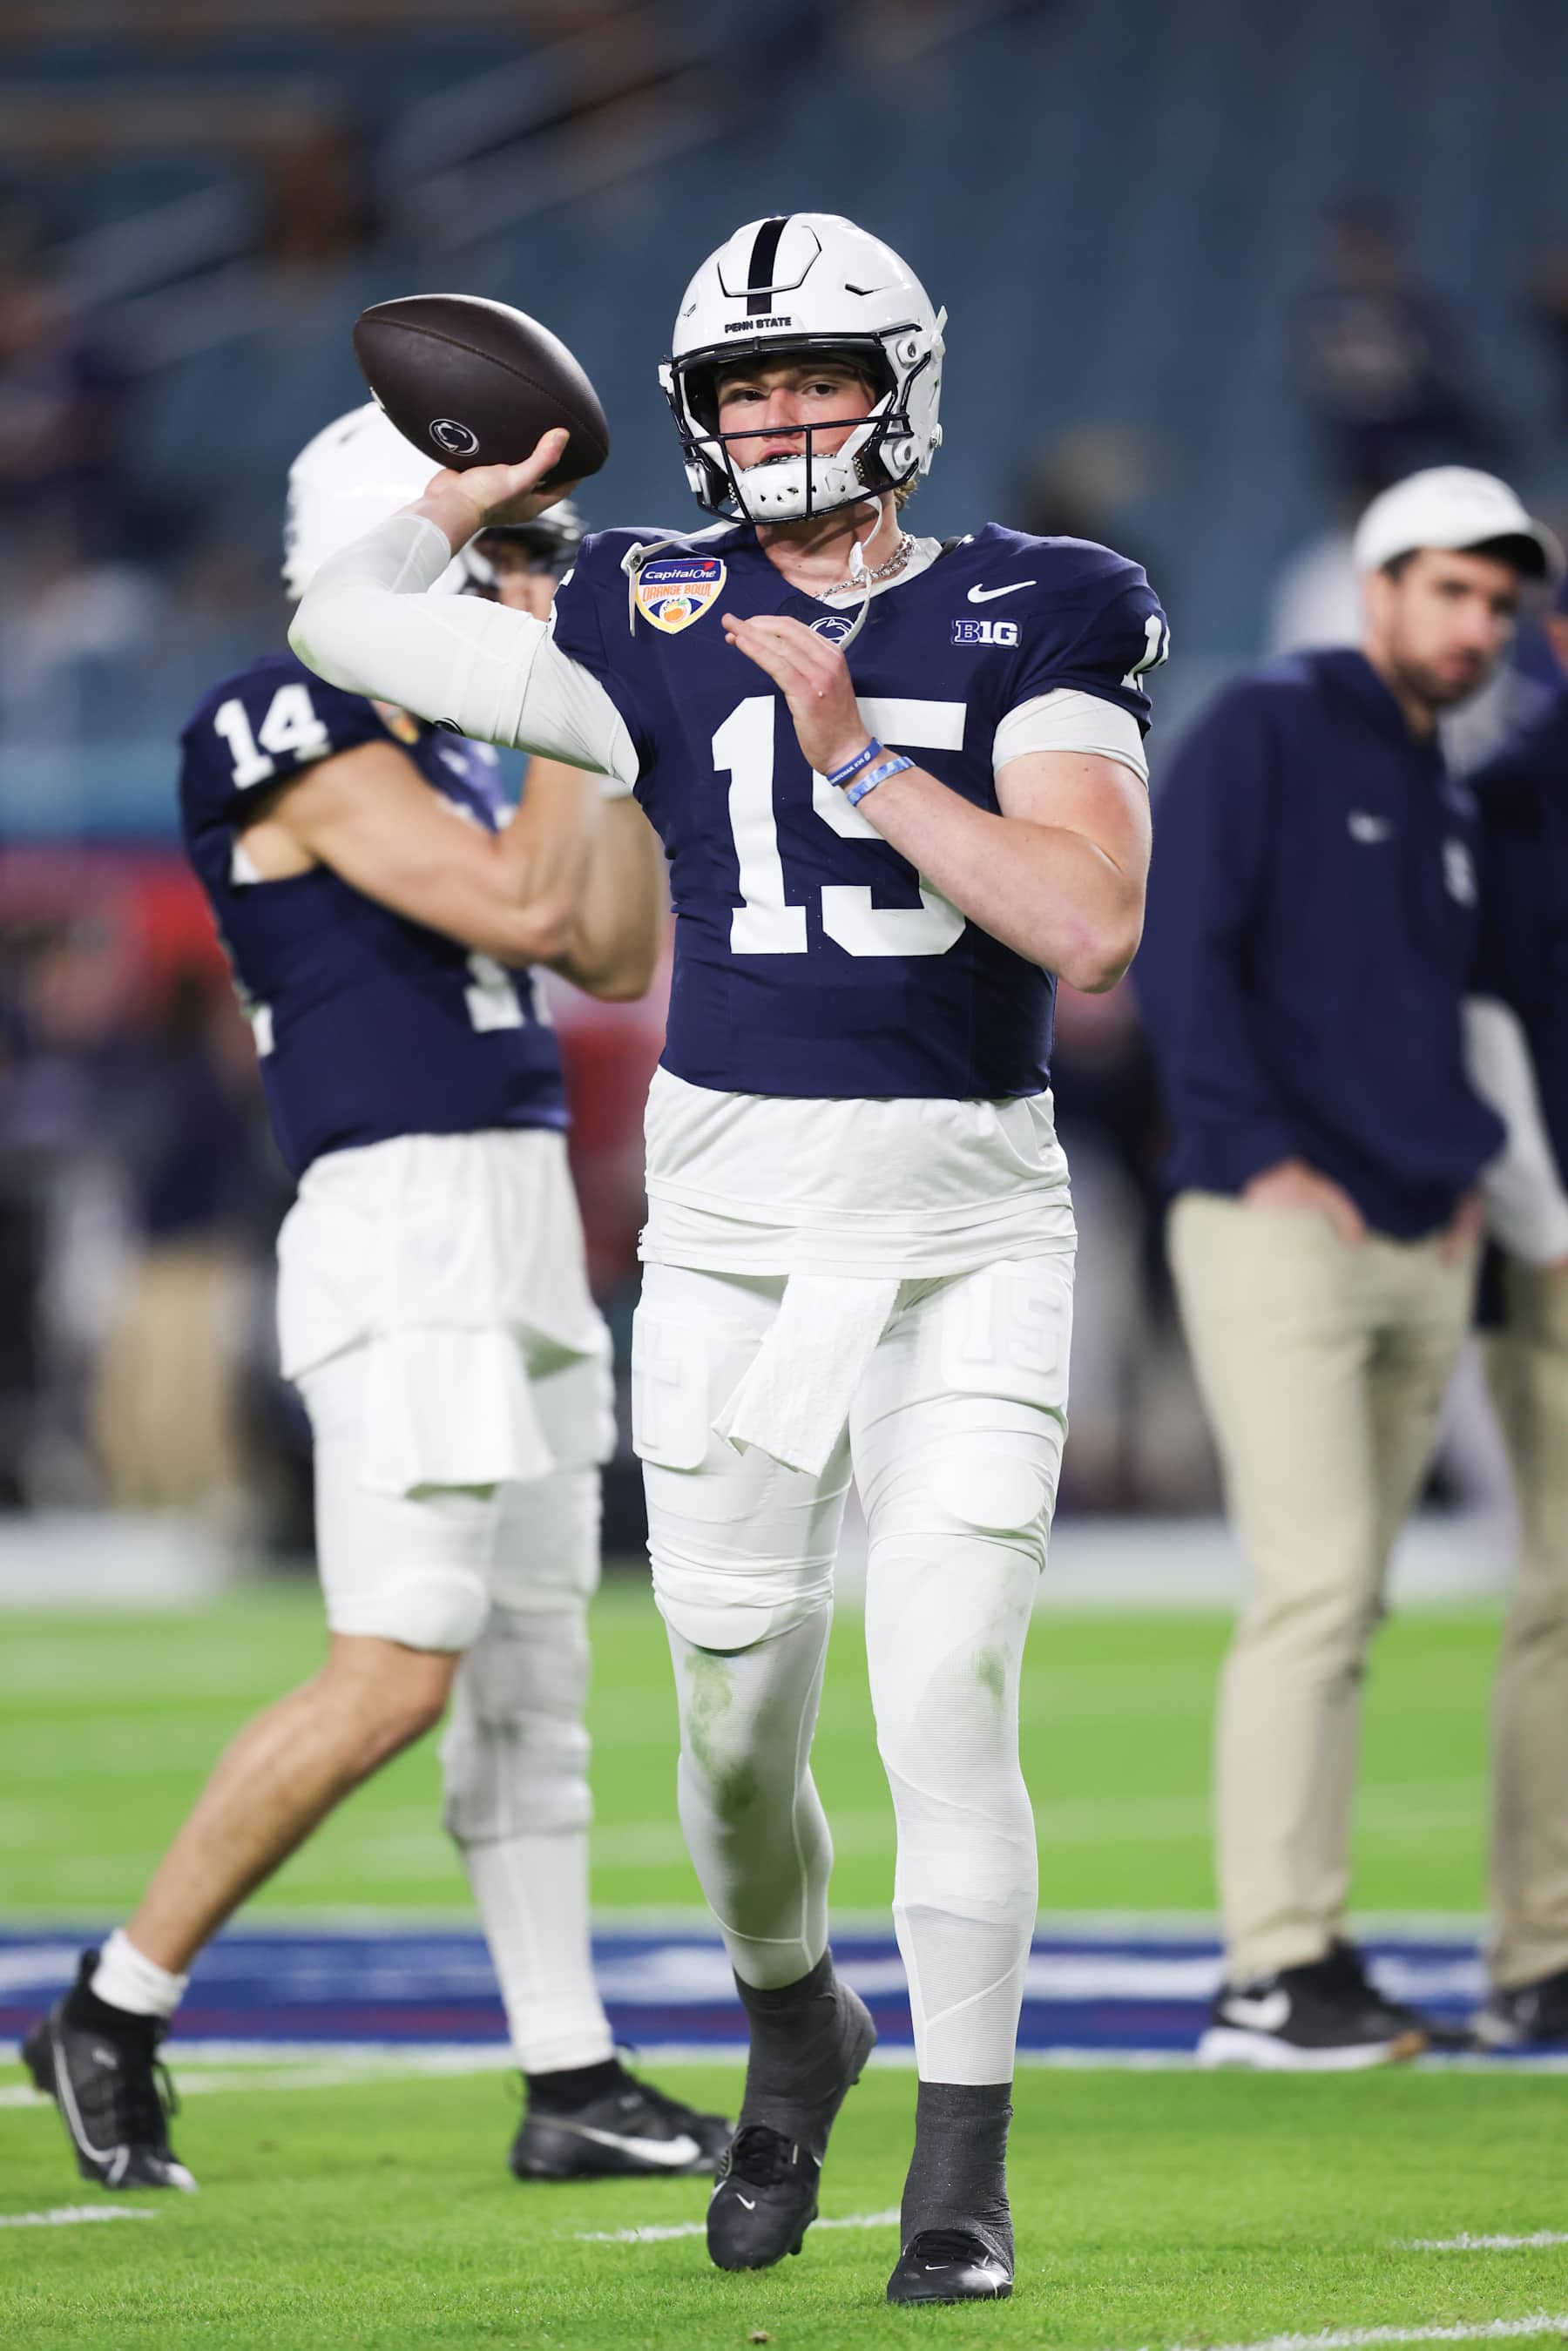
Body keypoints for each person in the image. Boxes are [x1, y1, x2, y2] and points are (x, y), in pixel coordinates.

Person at [288, 212, 1167, 2305]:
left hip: (969, 1221)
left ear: (903, 388)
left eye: (818, 378)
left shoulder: (1047, 599)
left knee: (949, 1682)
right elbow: (345, 625)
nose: (781, 417)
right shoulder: (640, 602)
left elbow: (1087, 922)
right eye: (745, 388)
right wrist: (460, 495)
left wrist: (866, 753)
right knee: (731, 1727)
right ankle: (798, 2014)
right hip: (739, 1238)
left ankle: (963, 2171)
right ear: (693, 419)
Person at [22, 402, 728, 2195]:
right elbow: (508, 907)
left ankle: (567, 2072)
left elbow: (618, 949)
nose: (526, 582)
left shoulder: (469, 740)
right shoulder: (284, 715)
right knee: (397, 1671)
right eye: (504, 550)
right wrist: (566, 676)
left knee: (533, 1688)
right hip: (400, 1218)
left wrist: (603, 728)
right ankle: (111, 2004)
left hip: (518, 1227)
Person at [1134, 465, 1562, 2070]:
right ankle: (1273, 1970)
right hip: (1280, 1226)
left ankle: (1311, 1956)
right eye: (1449, 592)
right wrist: (1263, 1159)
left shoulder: (1440, 774)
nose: (1476, 627)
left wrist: (1455, 1183)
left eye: (1499, 605)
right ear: (1378, 587)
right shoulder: (1271, 727)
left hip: (1413, 1231)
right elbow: (1184, 957)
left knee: (1352, 1592)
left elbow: (1438, 1020)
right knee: (1315, 1591)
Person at [1461, 566, 1568, 2050]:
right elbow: (1482, 1022)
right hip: (1557, 1233)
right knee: (1562, 1593)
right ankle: (1544, 1944)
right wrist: (1545, 1219)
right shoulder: (1520, 792)